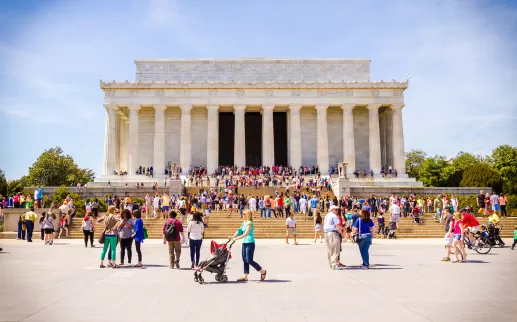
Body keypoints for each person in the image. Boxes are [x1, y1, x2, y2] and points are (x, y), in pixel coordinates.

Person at [229, 210, 267, 282]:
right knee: (245, 260)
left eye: (243, 214)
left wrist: (236, 238)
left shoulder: (250, 223)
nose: (242, 214)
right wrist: (232, 236)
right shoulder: (244, 223)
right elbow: (239, 231)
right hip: (244, 242)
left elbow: (246, 233)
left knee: (249, 260)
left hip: (250, 242)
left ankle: (262, 271)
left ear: (247, 215)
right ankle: (245, 276)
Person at [323, 205, 343, 270]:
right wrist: (341, 233)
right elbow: (338, 225)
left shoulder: (327, 215)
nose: (337, 211)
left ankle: (331, 263)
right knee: (335, 249)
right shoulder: (334, 216)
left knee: (329, 249)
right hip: (333, 233)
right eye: (336, 210)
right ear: (332, 210)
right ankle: (334, 264)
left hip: (326, 233)